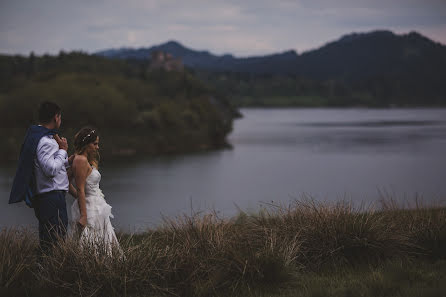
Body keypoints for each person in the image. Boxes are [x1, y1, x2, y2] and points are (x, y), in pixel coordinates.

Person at [9, 101, 71, 251]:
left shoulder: (40, 136)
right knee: (55, 242)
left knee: (49, 240)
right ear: (56, 117)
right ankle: (49, 273)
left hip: (48, 197)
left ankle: (45, 272)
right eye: (60, 116)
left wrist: (70, 159)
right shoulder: (46, 141)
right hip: (52, 197)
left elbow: (55, 165)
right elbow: (50, 170)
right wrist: (63, 150)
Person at [69, 127, 121, 255]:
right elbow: (80, 188)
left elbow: (65, 182)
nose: (97, 147)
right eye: (95, 143)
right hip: (90, 208)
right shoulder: (80, 160)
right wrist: (83, 215)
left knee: (103, 242)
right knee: (90, 243)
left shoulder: (83, 159)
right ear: (86, 144)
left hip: (97, 206)